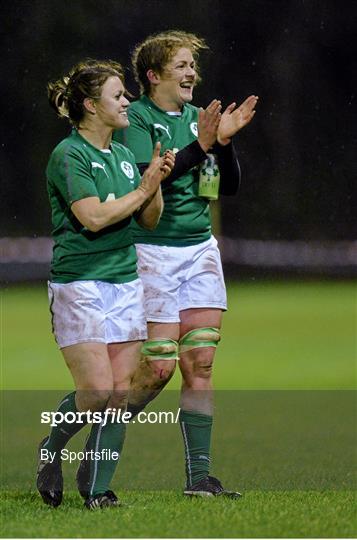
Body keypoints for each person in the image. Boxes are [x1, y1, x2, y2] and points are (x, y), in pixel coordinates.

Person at [117, 30, 258, 497]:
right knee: (156, 370)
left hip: (199, 250)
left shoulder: (201, 118)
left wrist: (225, 142)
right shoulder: (135, 119)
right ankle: (80, 440)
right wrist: (202, 144)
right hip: (150, 251)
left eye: (192, 65)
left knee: (200, 361)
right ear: (153, 75)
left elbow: (226, 187)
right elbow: (147, 180)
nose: (191, 73)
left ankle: (200, 480)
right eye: (180, 65)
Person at [36, 58, 175, 509]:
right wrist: (141, 189)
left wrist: (153, 184)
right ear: (92, 106)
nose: (127, 102)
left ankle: (97, 490)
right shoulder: (69, 154)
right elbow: (92, 218)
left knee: (118, 393)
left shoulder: (121, 153)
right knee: (95, 392)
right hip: (80, 286)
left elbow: (148, 221)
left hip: (124, 283)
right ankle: (51, 450)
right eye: (118, 95)